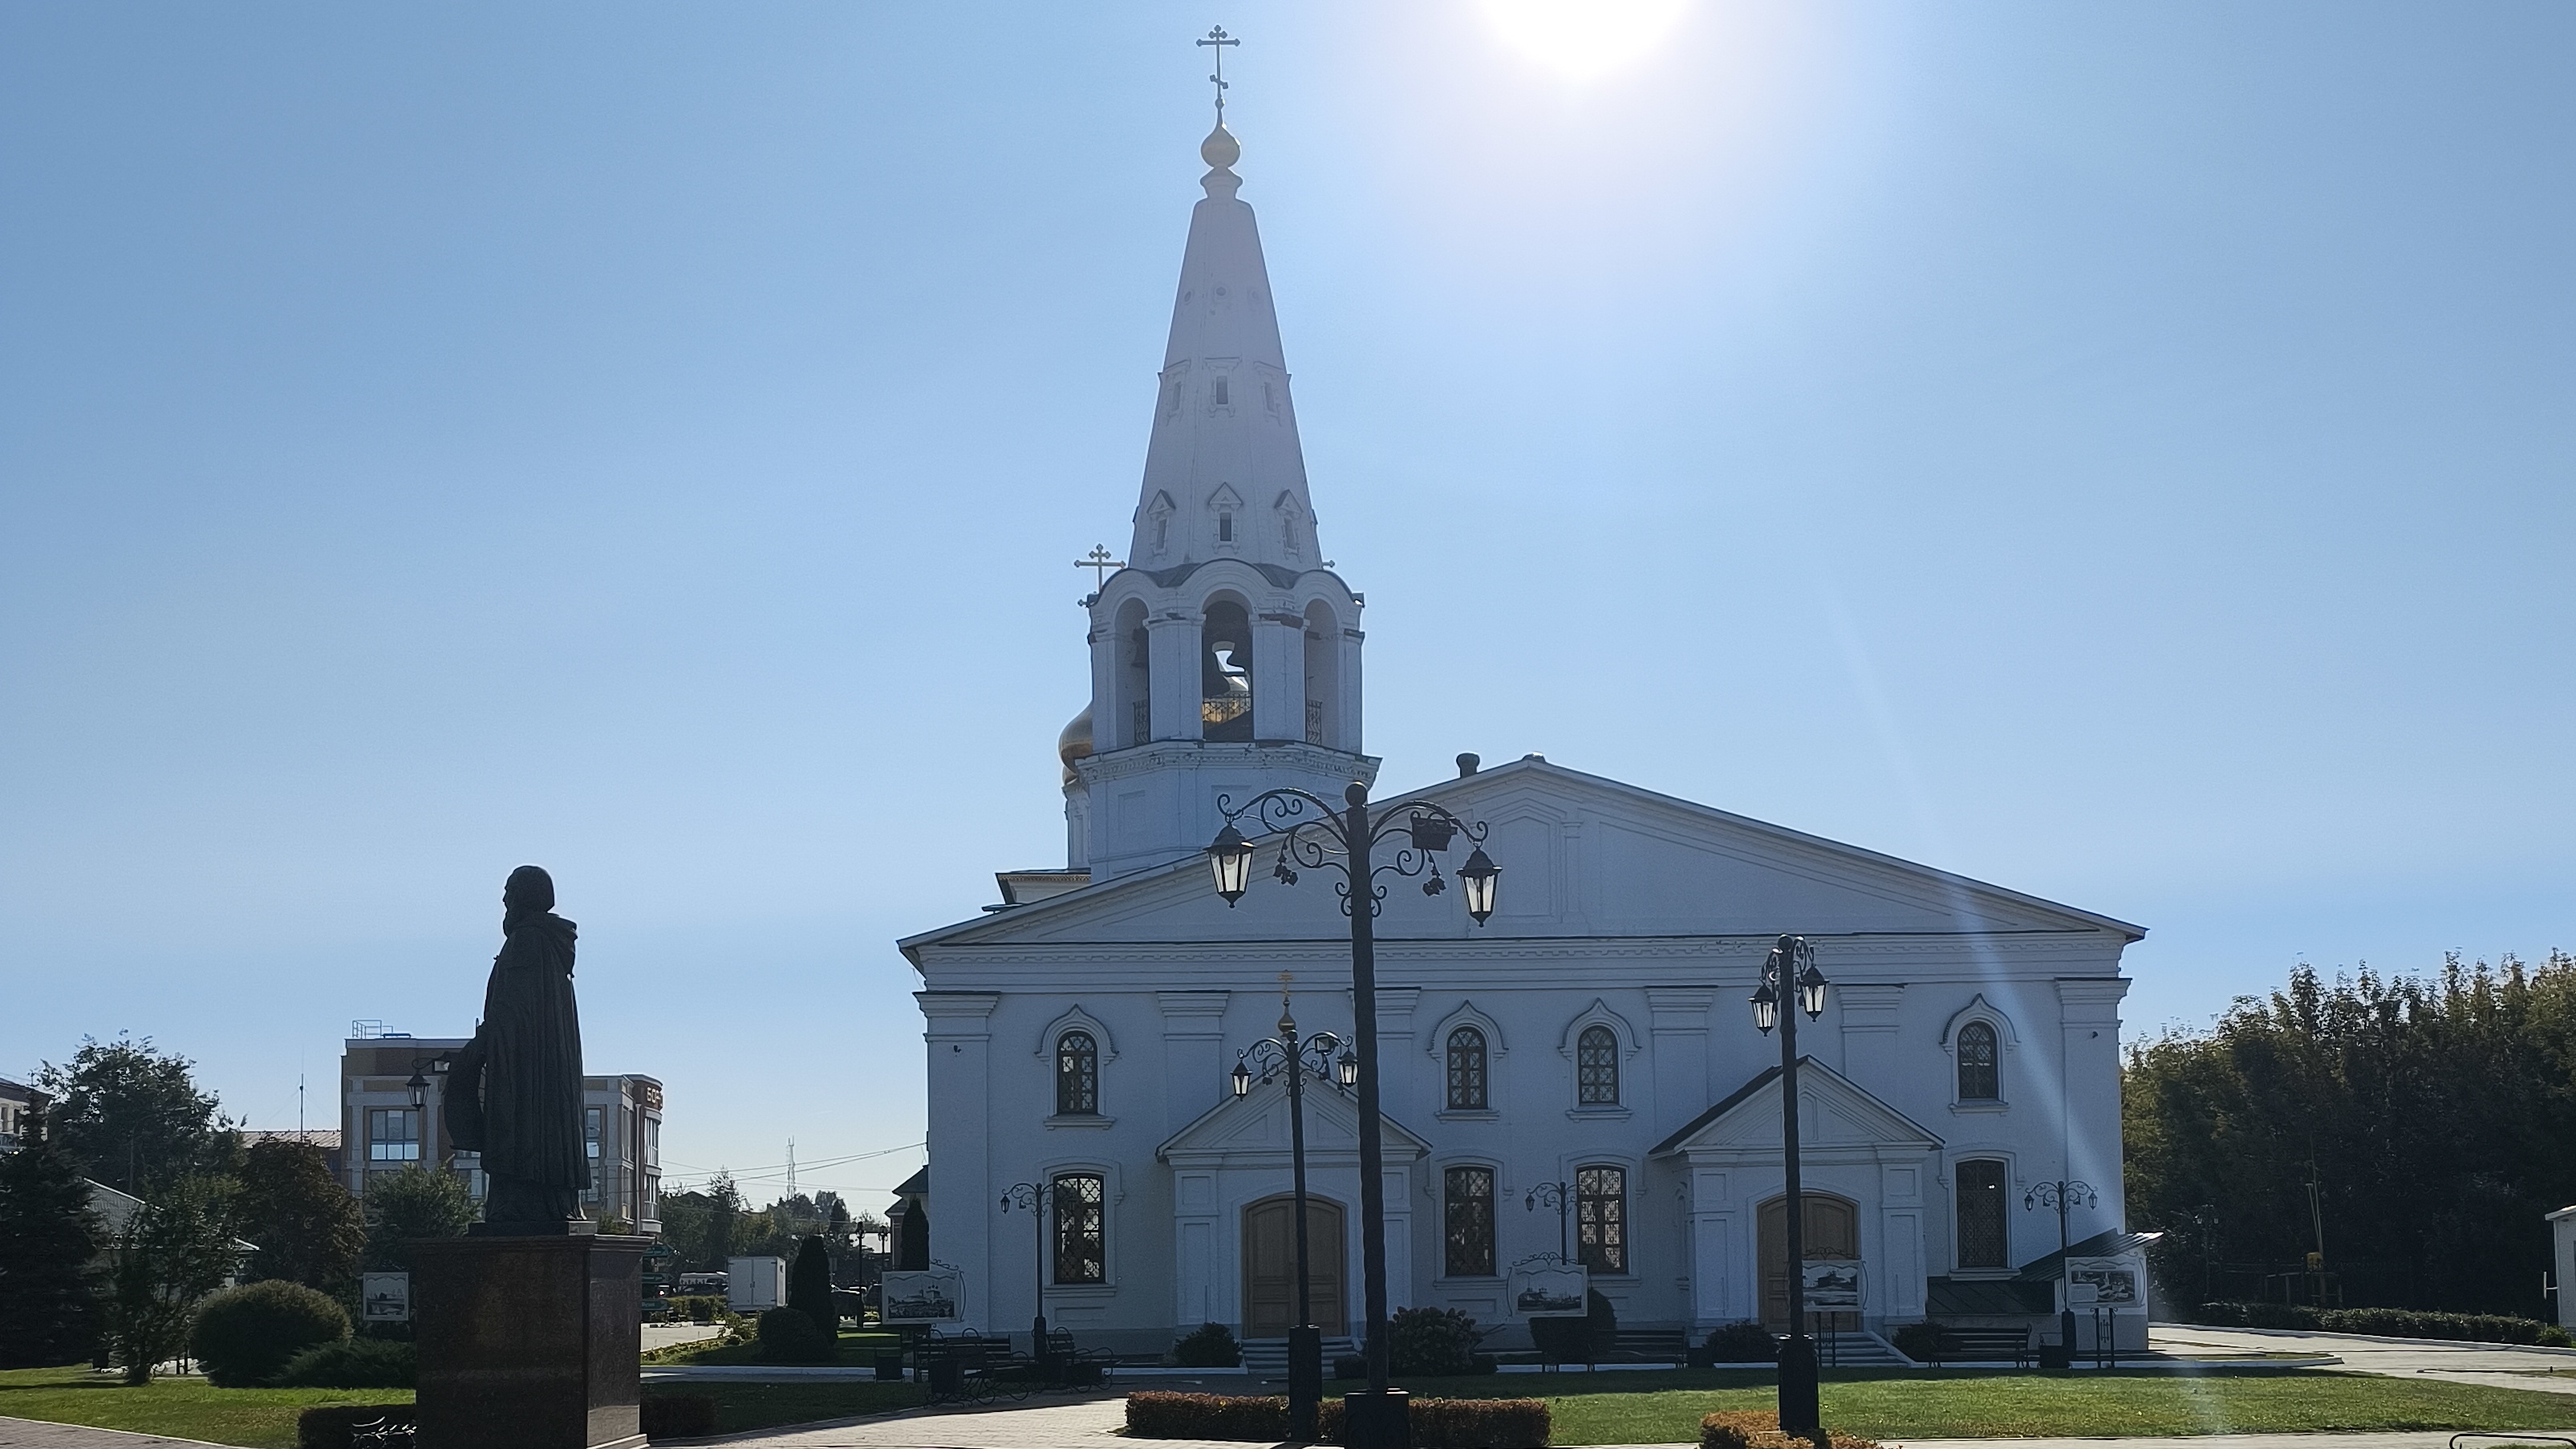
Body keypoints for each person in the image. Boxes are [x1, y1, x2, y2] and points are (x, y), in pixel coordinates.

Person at [447, 865, 589, 1228]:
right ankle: (545, 1200)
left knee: (520, 1130)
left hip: (525, 1068)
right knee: (539, 1127)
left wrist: (480, 1044)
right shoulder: (547, 944)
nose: (504, 899)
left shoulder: (527, 940)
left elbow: (513, 1008)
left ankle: (521, 1203)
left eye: (510, 891)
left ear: (526, 896)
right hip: (540, 1063)